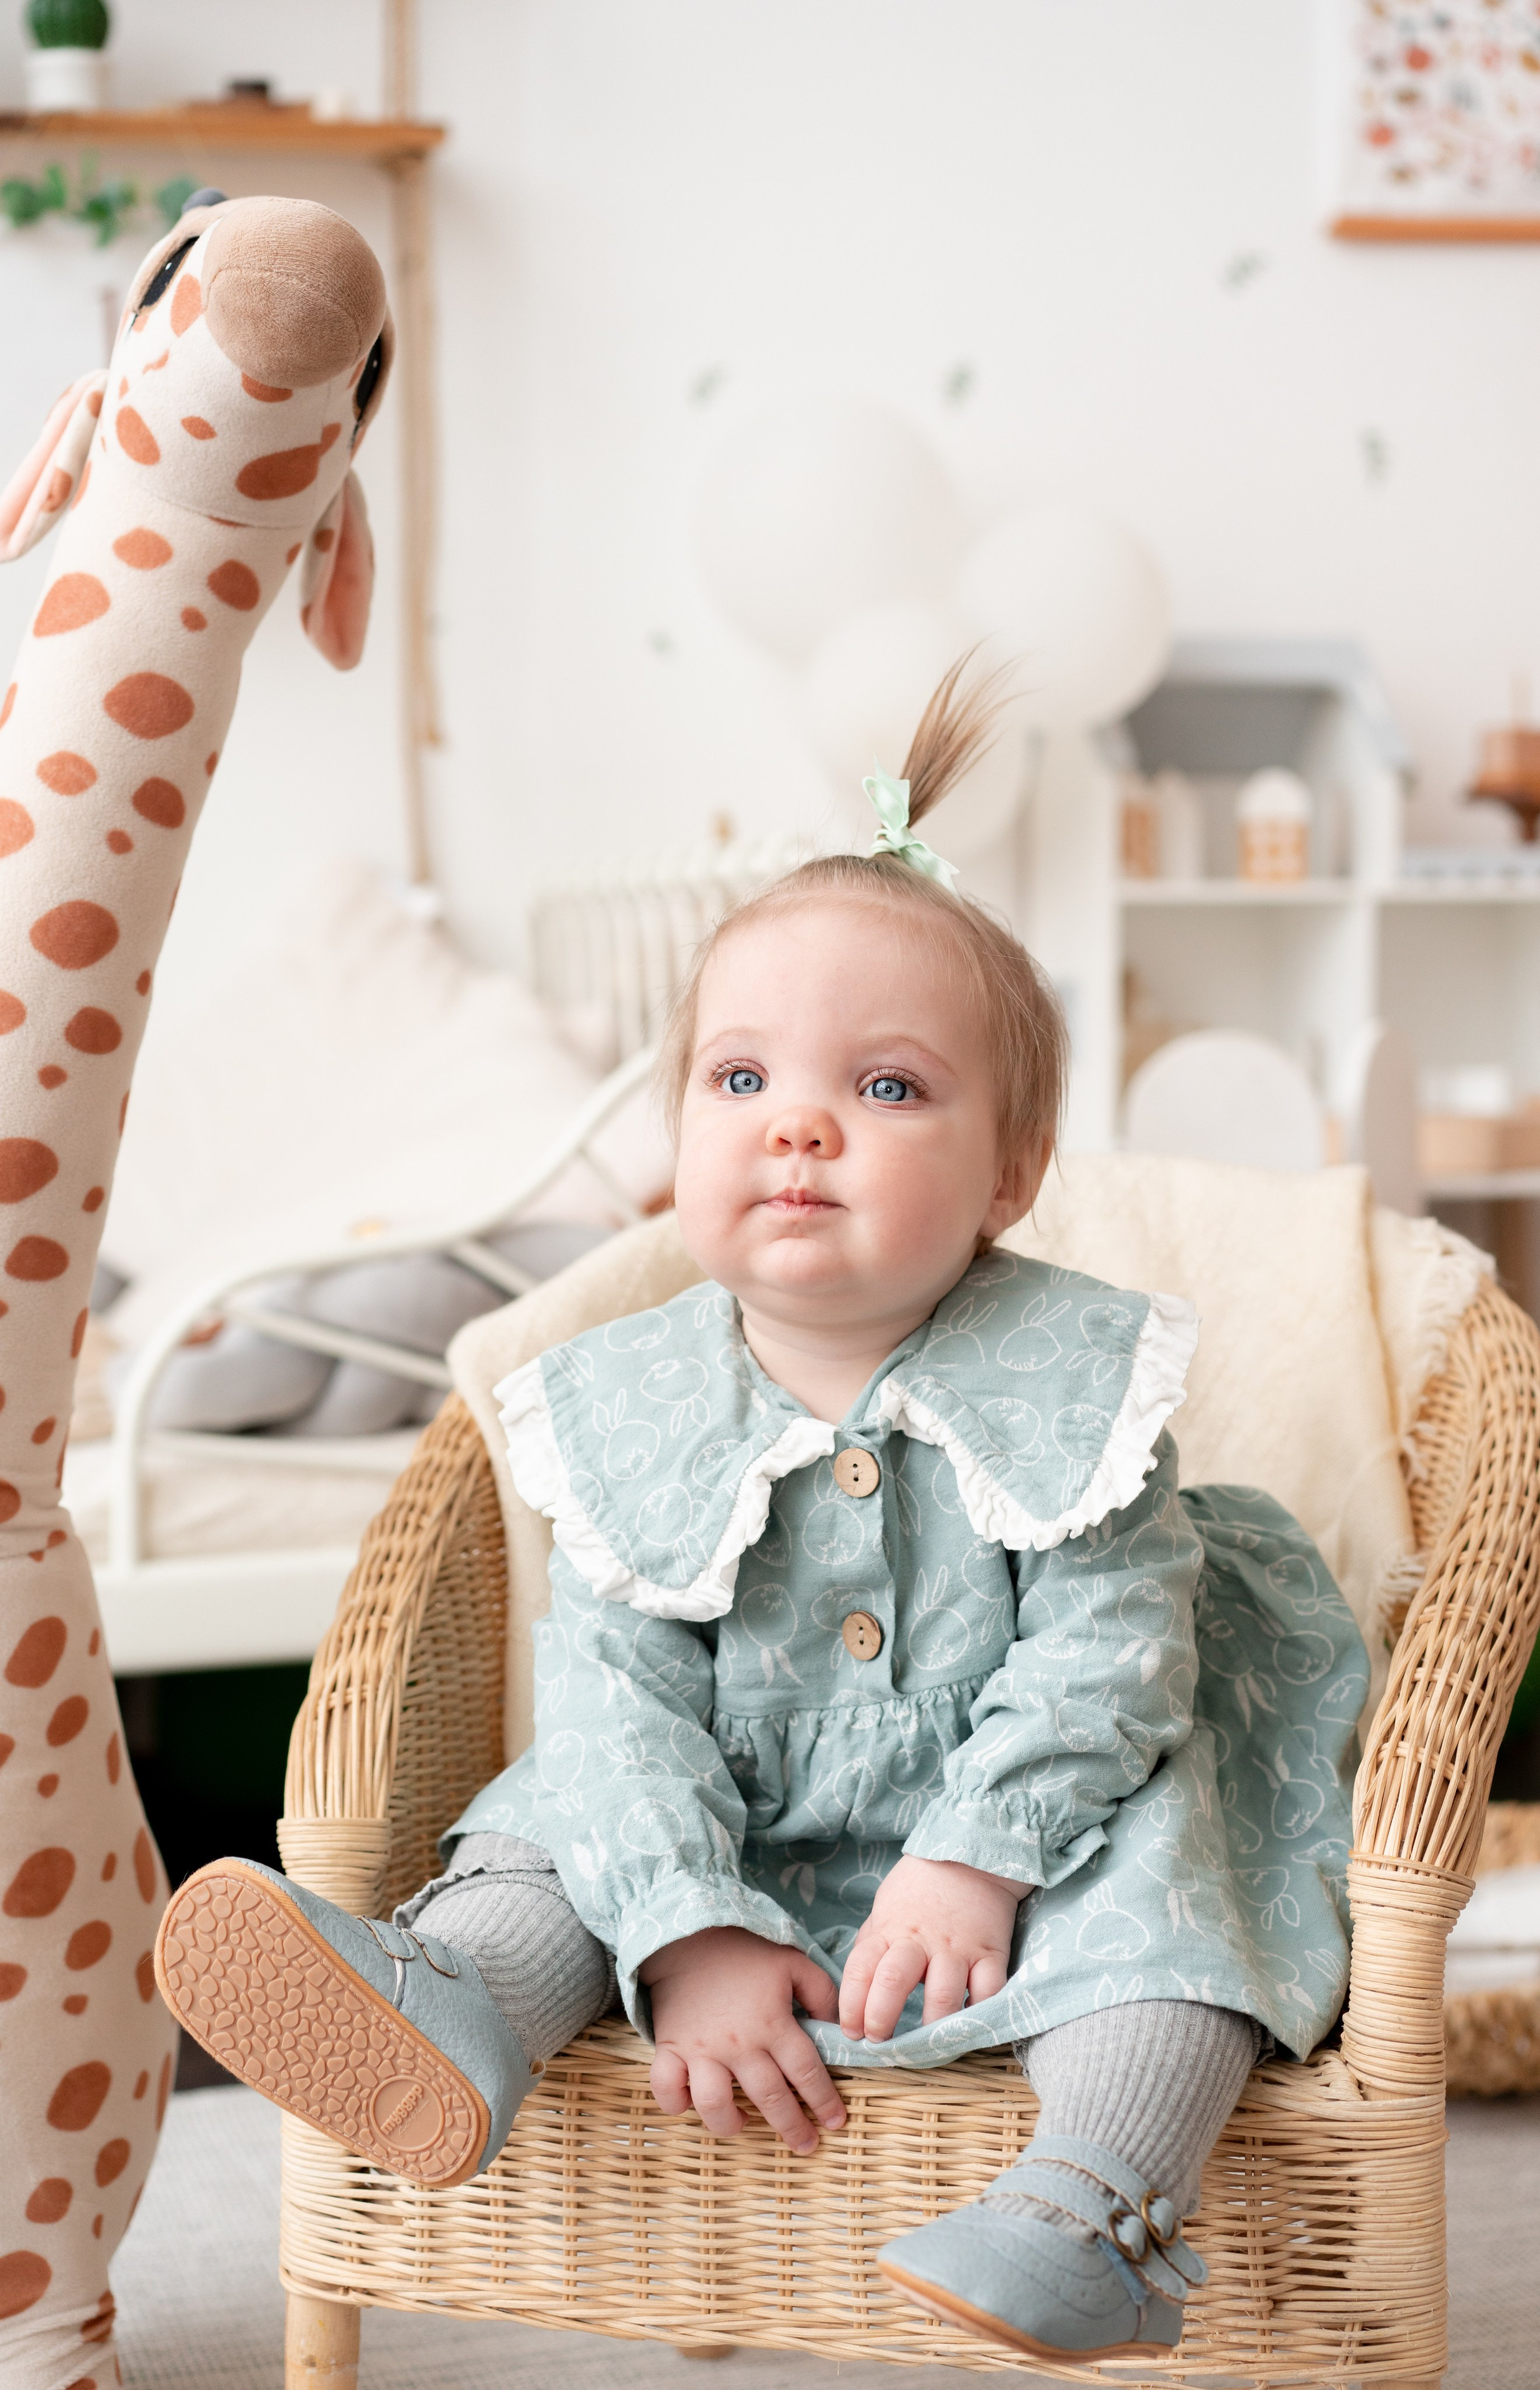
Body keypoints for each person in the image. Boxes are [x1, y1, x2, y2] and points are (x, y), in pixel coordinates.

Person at [157, 660, 1367, 2363]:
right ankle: (454, 2005)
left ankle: (1097, 2192)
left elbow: (1111, 1654)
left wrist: (976, 1853)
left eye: (886, 1089)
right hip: (725, 1808)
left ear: (1012, 1171)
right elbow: (621, 1696)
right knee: (563, 1807)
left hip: (1021, 1820)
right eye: (740, 1080)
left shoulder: (1073, 1377)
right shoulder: (633, 1395)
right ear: (679, 1134)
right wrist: (694, 1927)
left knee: (1183, 1859)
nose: (798, 1121)